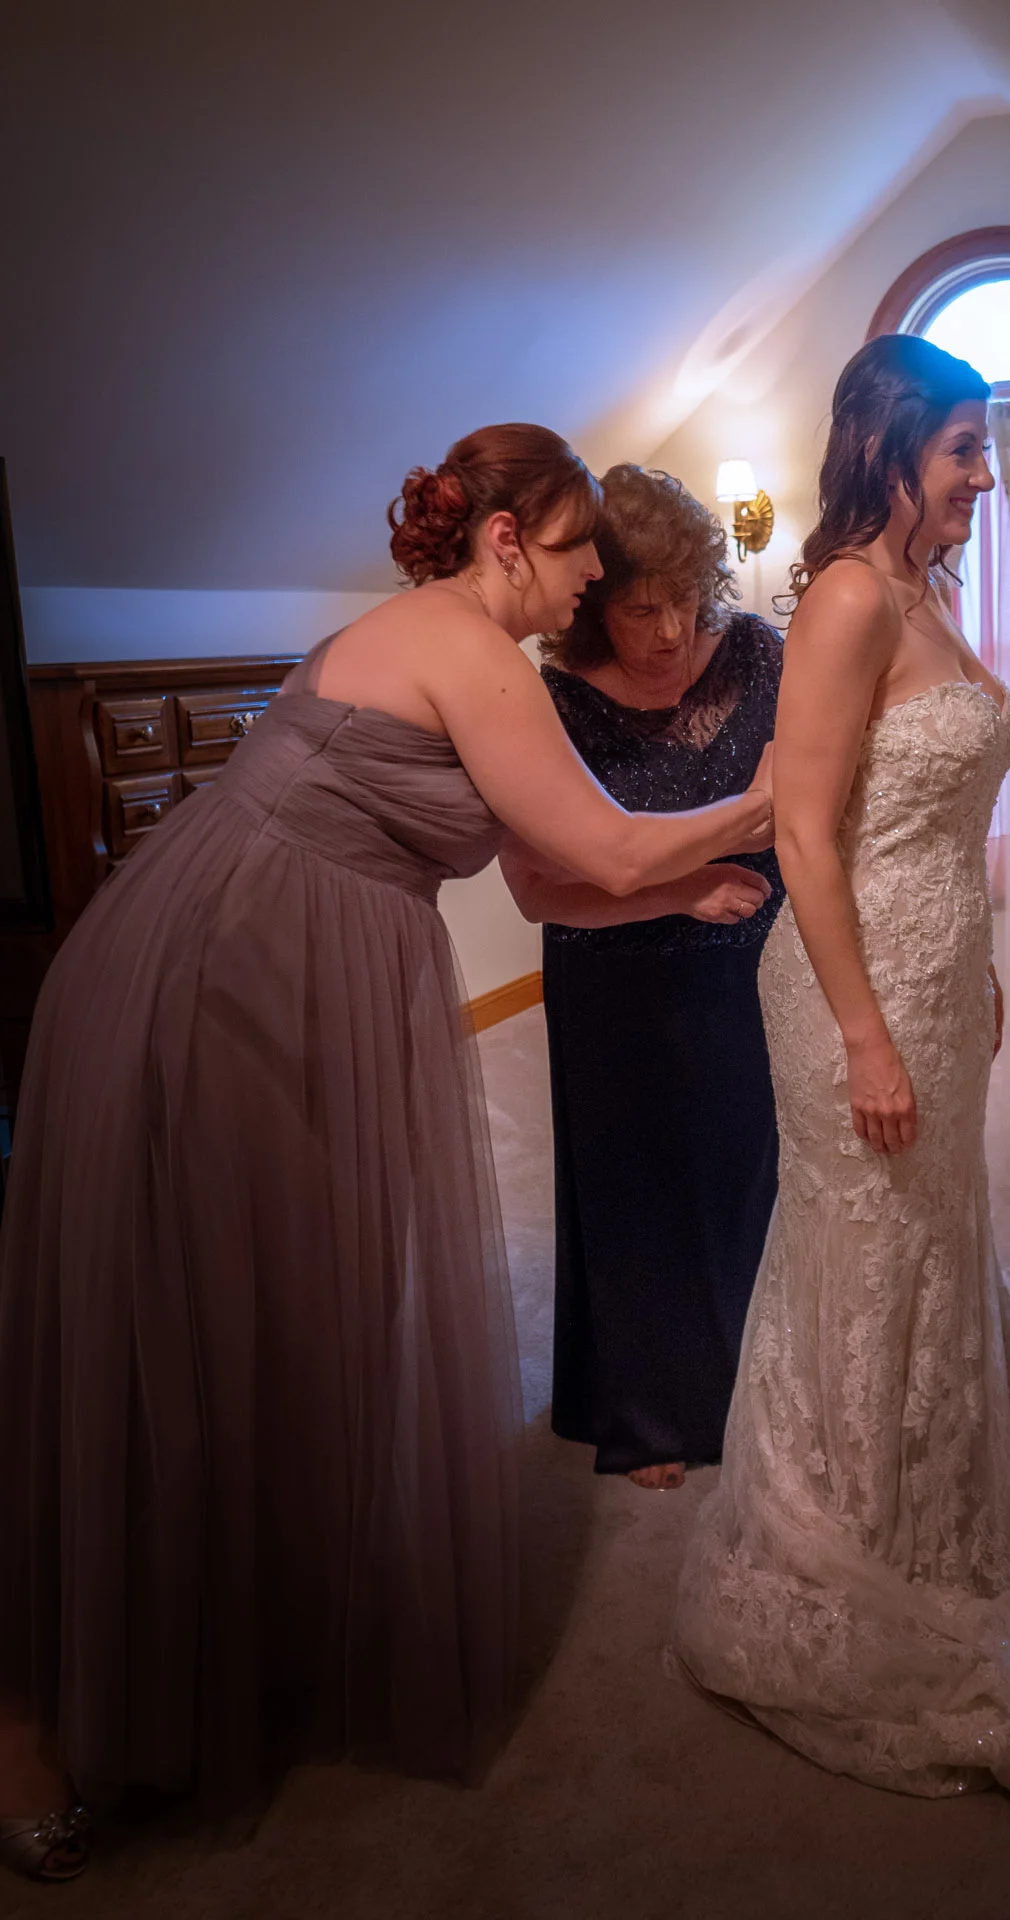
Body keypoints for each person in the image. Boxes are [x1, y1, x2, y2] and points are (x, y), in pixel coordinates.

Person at [0, 424, 773, 1879]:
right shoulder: (467, 647)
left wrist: (698, 887)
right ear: (505, 540)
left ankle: (222, 1624)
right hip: (233, 978)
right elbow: (611, 850)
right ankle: (35, 1717)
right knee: (179, 1320)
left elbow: (550, 879)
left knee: (284, 1320)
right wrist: (779, 791)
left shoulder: (464, 649)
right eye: (576, 550)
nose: (593, 577)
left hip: (272, 959)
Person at [670, 338, 1010, 1802]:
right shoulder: (849, 600)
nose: (987, 477)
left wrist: (974, 964)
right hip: (846, 990)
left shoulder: (928, 589)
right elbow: (806, 838)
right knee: (869, 1254)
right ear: (889, 451)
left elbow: (923, 819)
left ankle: (950, 1516)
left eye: (985, 449)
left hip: (932, 970)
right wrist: (867, 1034)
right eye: (965, 449)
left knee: (937, 1243)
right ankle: (858, 1544)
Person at [502, 466, 783, 1492]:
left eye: (685, 601)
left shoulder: (756, 654)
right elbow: (540, 890)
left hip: (758, 961)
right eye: (639, 610)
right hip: (614, 977)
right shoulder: (554, 703)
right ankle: (649, 1407)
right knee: (638, 1191)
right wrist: (677, 891)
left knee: (752, 1177)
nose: (669, 633)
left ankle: (764, 1384)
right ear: (592, 606)